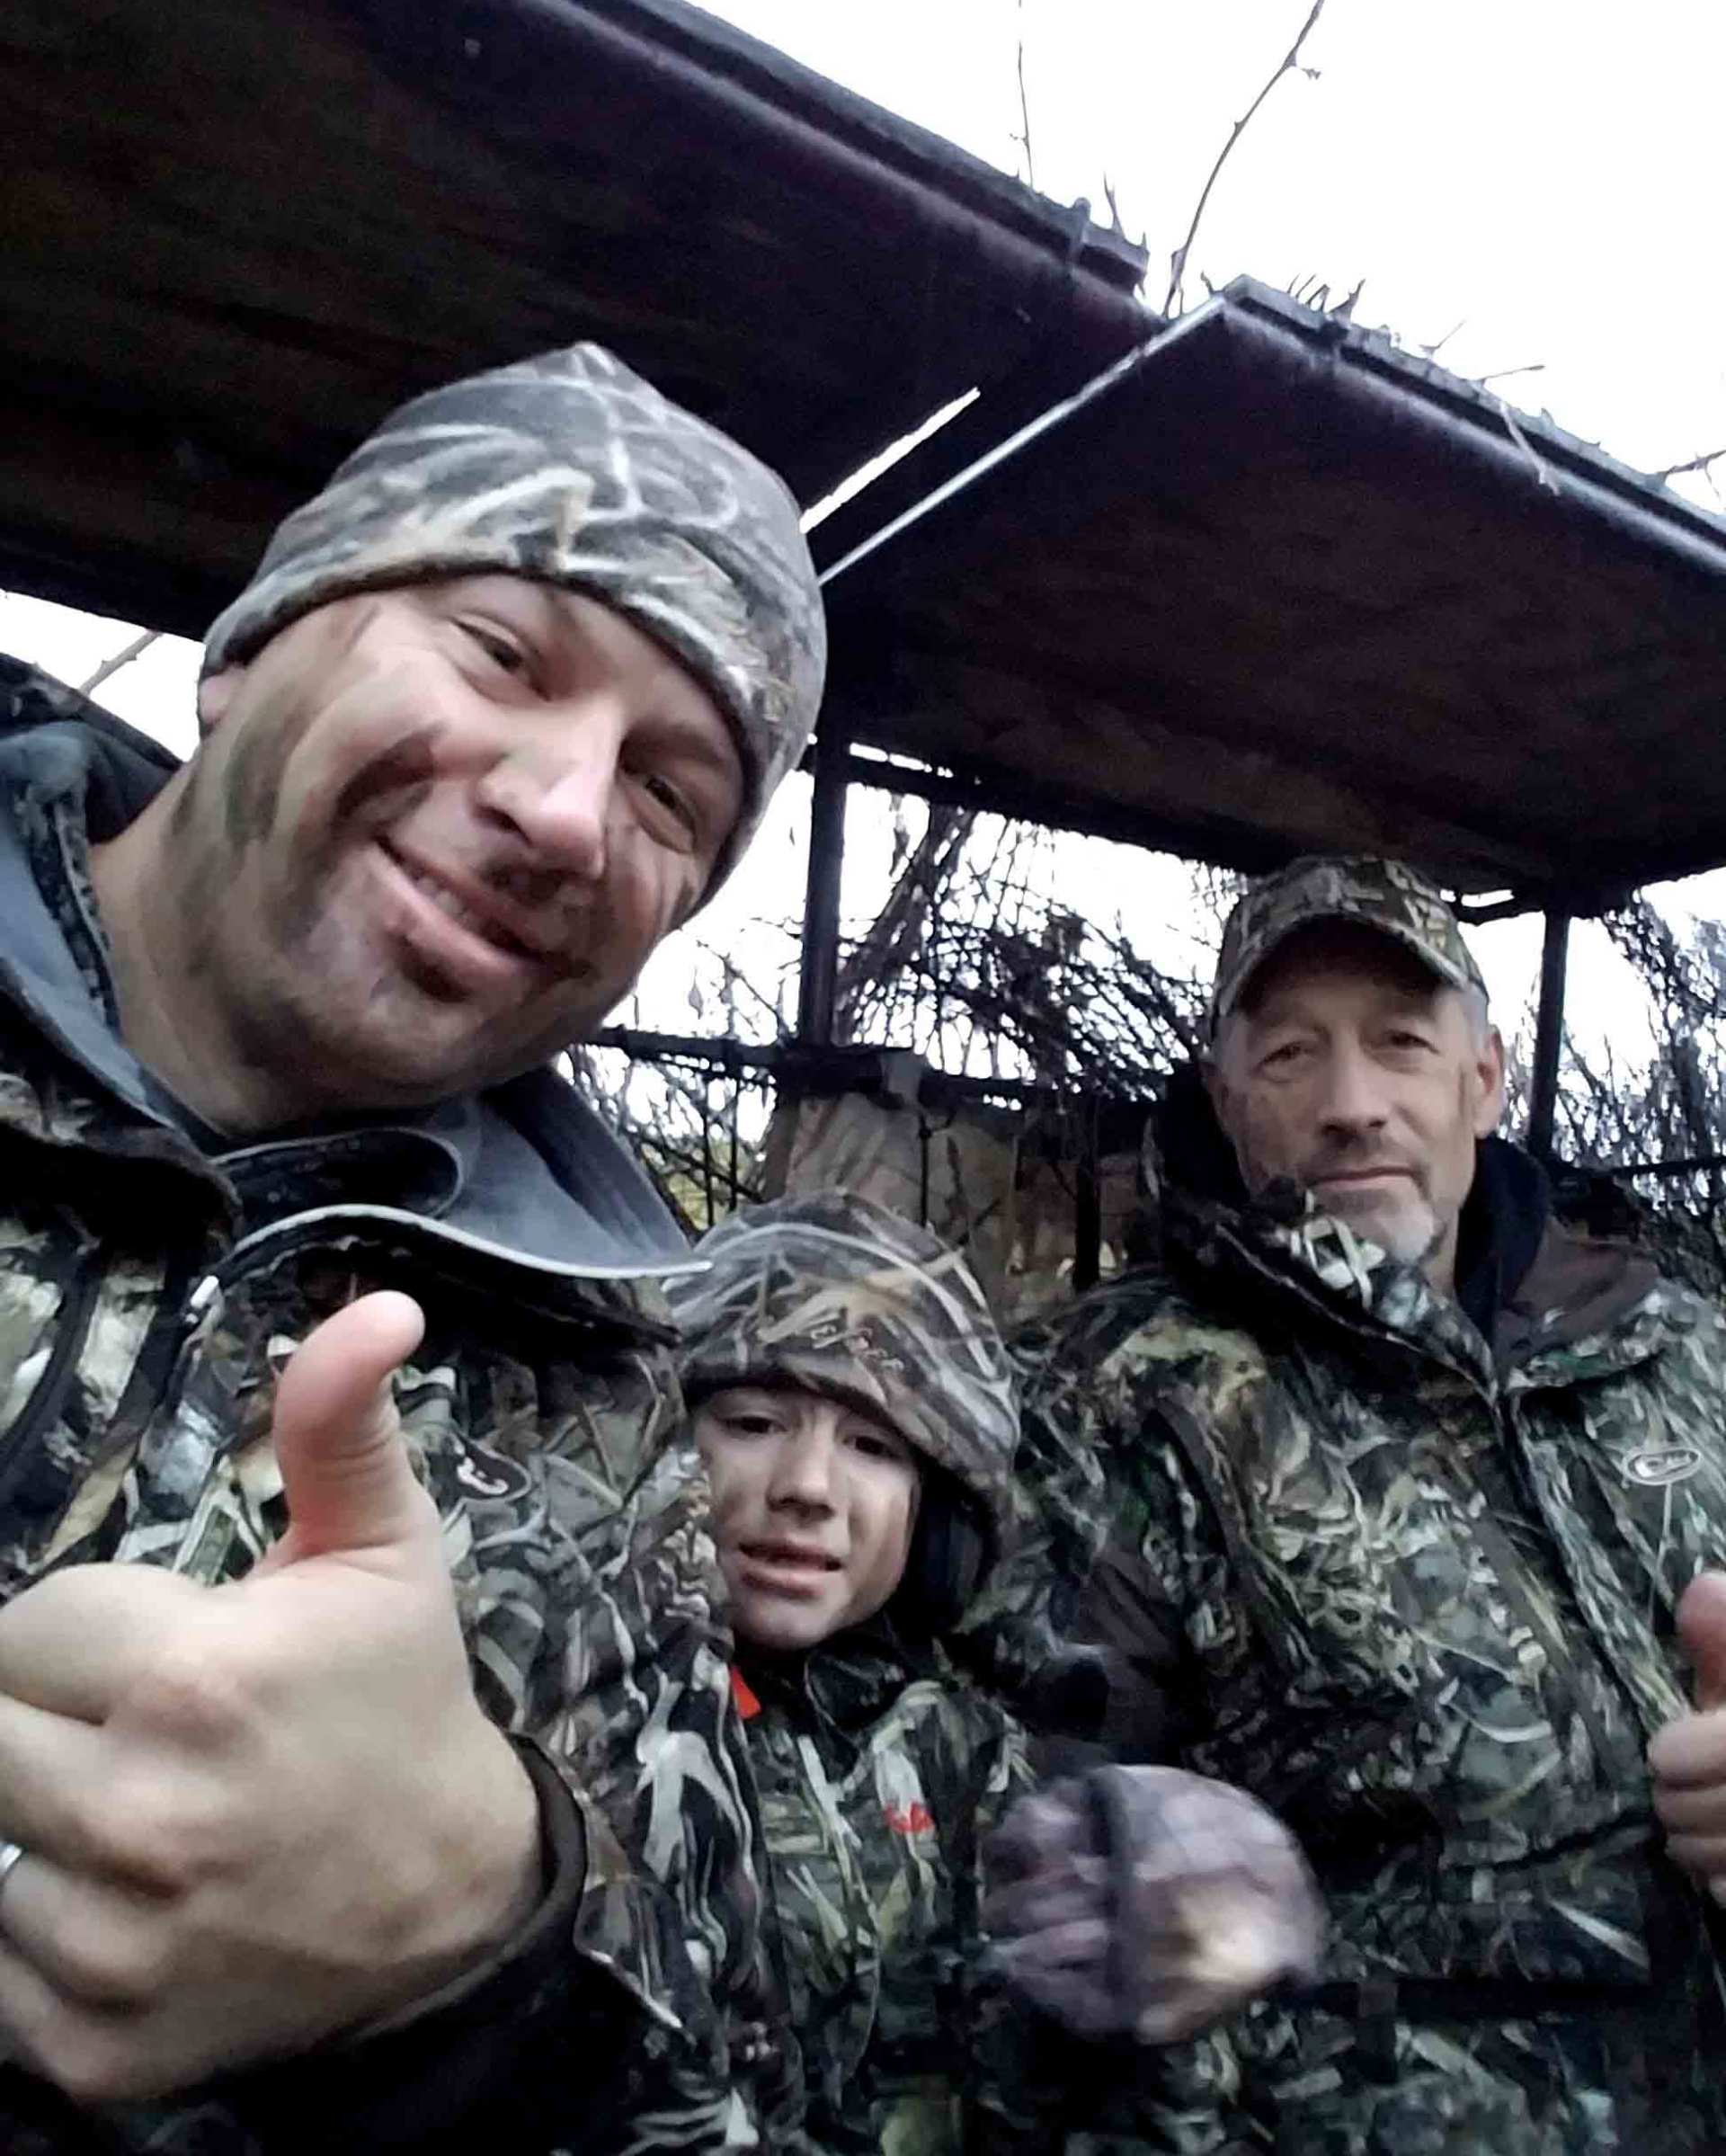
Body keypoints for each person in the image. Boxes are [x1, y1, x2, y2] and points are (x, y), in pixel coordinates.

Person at [0, 343, 824, 2152]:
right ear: (252, 644)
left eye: (671, 794)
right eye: (504, 651)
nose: (566, 809)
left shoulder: (610, 1403)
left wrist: (477, 1941)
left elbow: (723, 2073)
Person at [1015, 852, 1726, 2151]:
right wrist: (1154, 1879)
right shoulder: (1115, 1393)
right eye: (1292, 1056)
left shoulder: (1678, 1350)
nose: (1352, 1107)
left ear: (1483, 1079)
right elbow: (1019, 1810)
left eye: (1401, 1043)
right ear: (1227, 1100)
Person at [671, 1190, 1321, 2156]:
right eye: (755, 1422)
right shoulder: (600, 1728)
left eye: (873, 1446)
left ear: (938, 1514)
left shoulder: (966, 1755)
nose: (807, 1487)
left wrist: (1168, 2015)